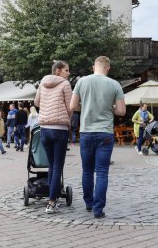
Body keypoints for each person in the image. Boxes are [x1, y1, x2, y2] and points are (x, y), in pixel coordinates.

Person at [70, 56, 126, 219]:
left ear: (93, 66)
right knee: (102, 172)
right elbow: (121, 111)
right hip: (105, 133)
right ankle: (97, 209)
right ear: (108, 68)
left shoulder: (82, 82)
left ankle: (88, 203)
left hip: (87, 132)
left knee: (87, 170)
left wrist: (86, 105)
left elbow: (73, 106)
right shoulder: (114, 84)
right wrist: (110, 107)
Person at [34, 60, 72, 214]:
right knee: (57, 166)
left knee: (51, 165)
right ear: (58, 71)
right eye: (67, 70)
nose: (69, 73)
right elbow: (71, 106)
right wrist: (67, 120)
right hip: (59, 128)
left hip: (44, 129)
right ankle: (51, 201)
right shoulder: (65, 84)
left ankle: (52, 198)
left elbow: (36, 102)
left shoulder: (43, 83)